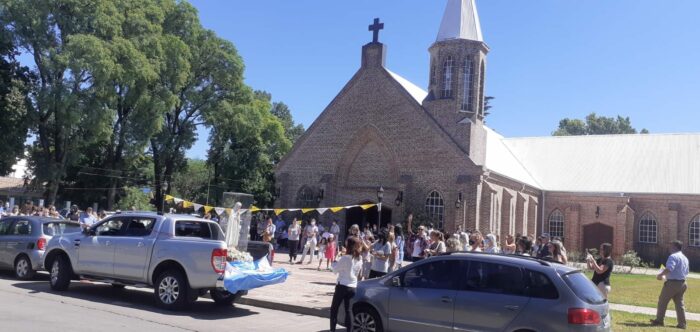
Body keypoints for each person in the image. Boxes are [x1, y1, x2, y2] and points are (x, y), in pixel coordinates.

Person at [650, 240, 690, 329]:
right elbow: (686, 272)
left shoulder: (673, 256)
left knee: (662, 301)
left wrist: (660, 275)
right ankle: (682, 324)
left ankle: (659, 320)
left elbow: (670, 268)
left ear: (675, 247)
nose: (669, 248)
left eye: (671, 246)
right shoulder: (685, 258)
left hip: (673, 283)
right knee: (679, 304)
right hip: (683, 283)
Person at [329, 236, 363, 332]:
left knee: (334, 309)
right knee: (348, 310)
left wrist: (336, 258)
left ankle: (332, 330)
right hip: (353, 286)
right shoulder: (359, 258)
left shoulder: (345, 258)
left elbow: (334, 269)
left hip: (342, 285)